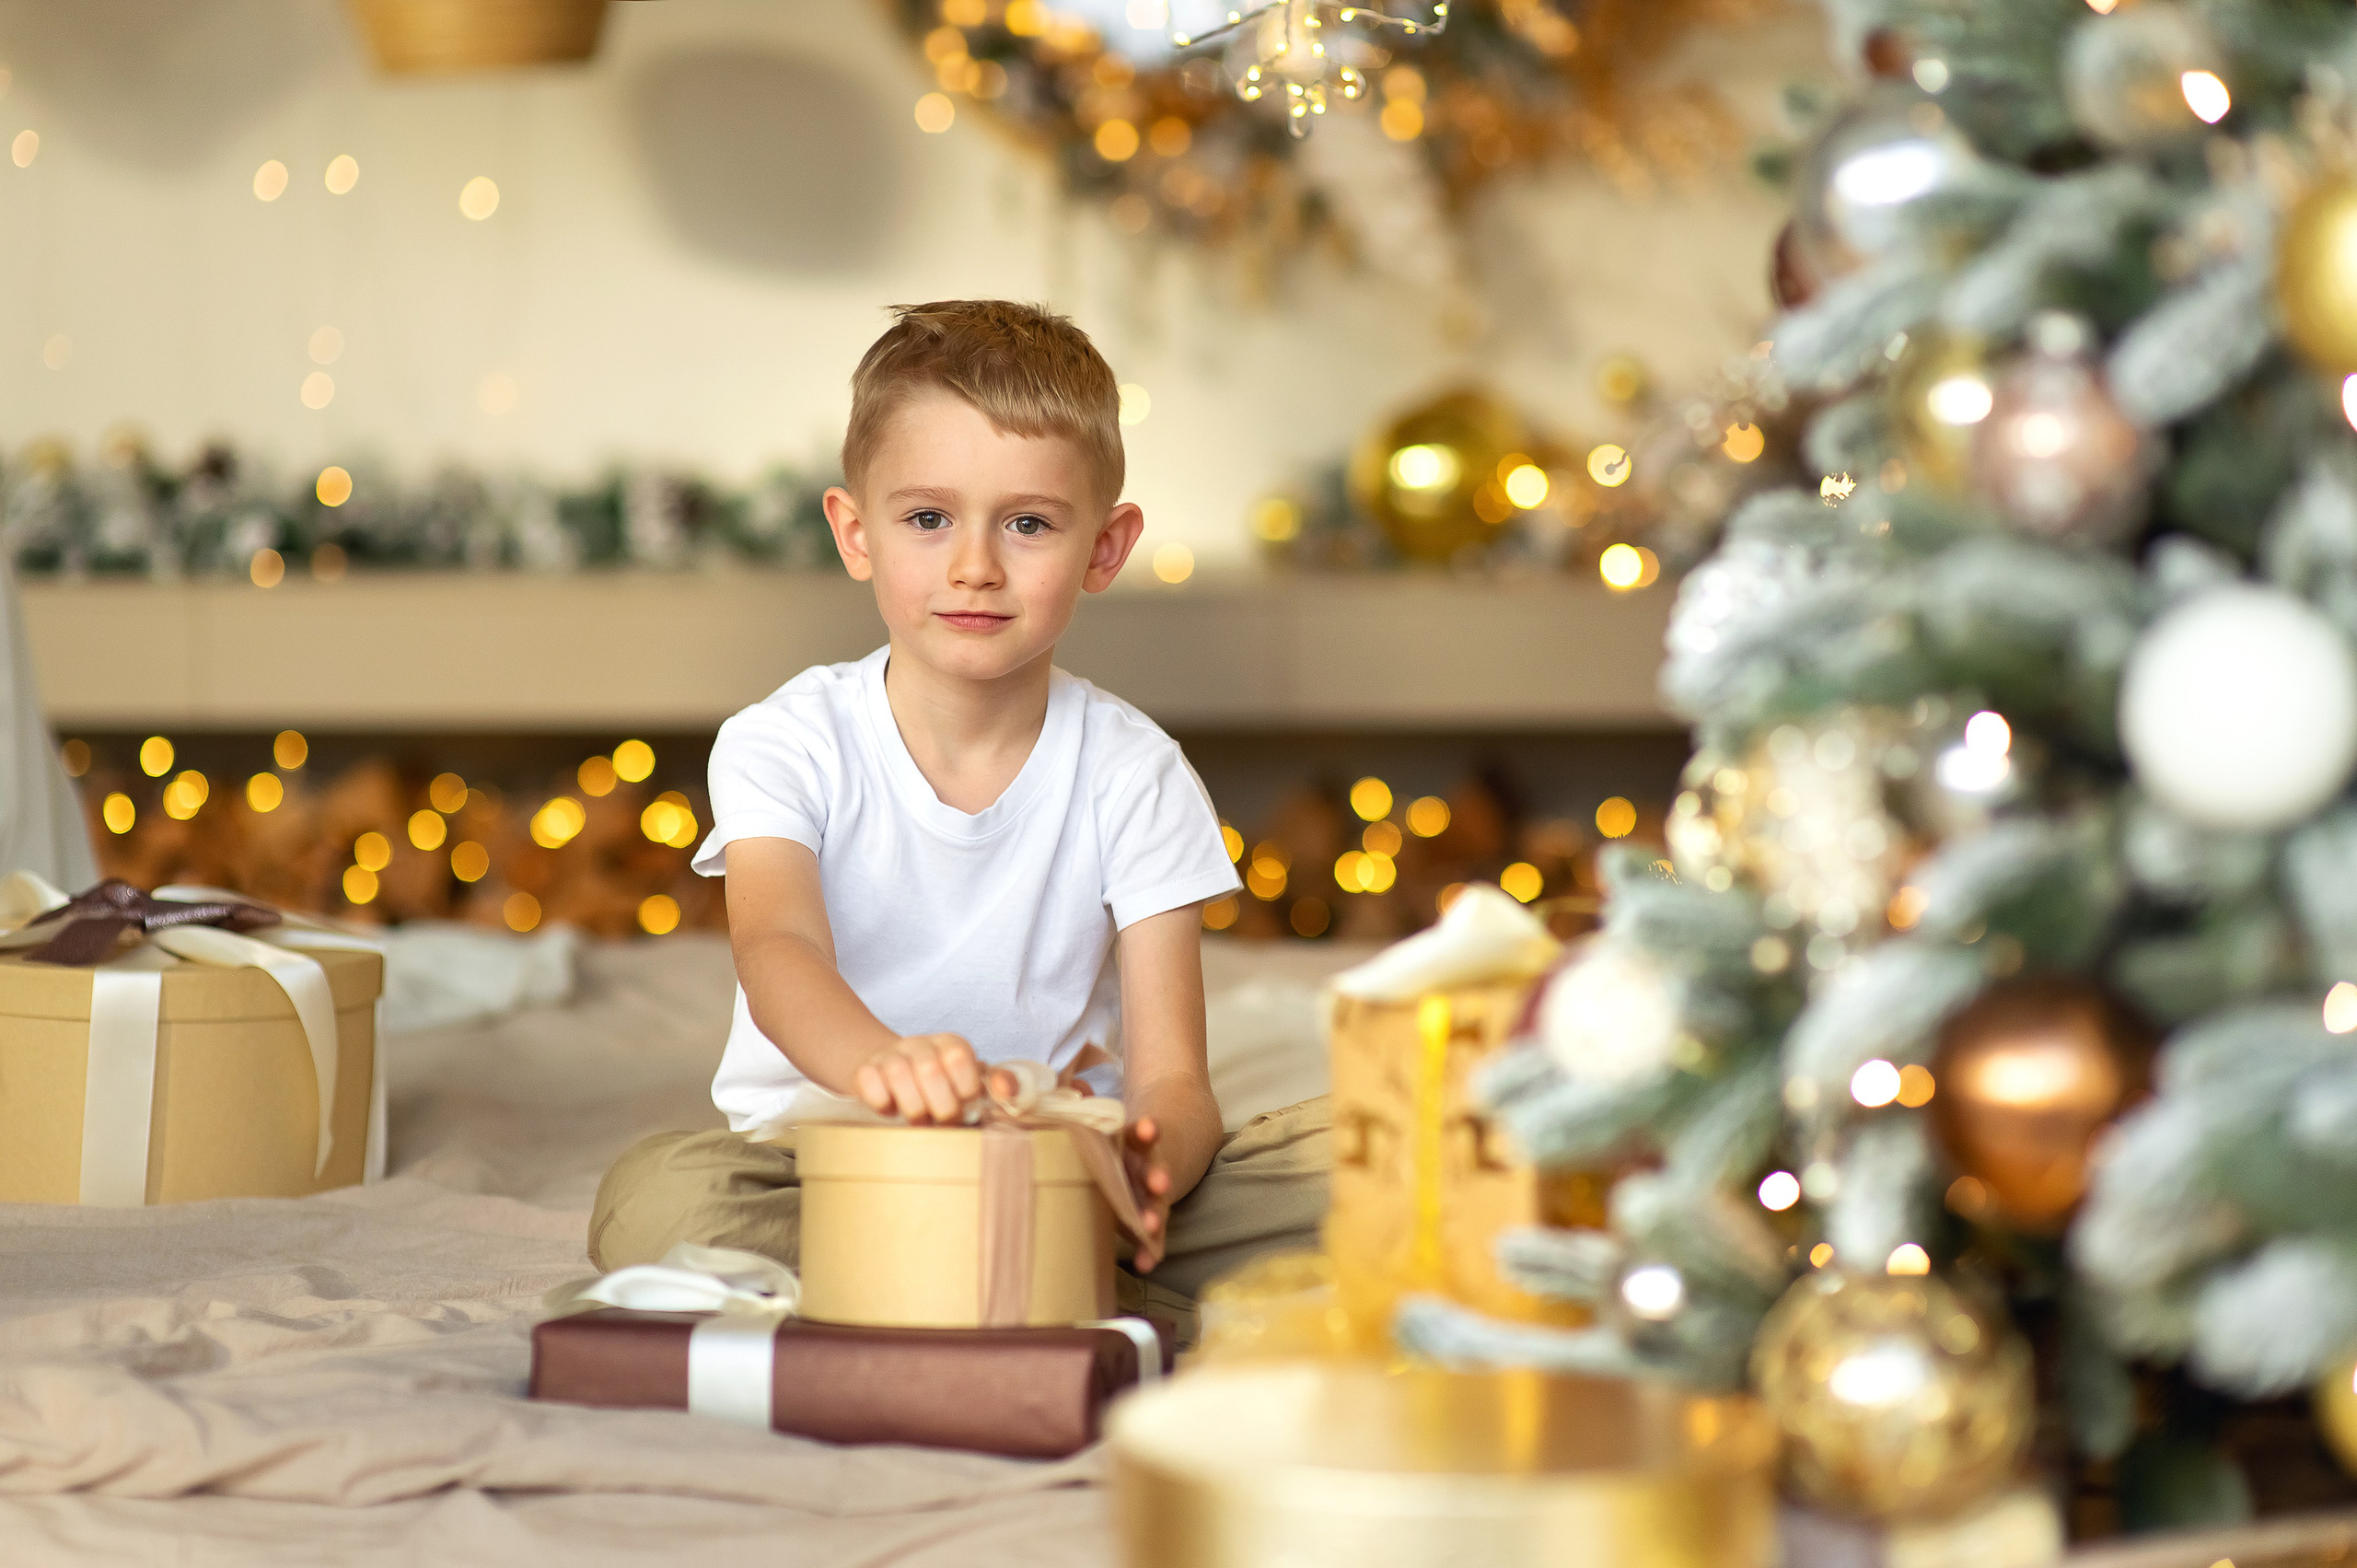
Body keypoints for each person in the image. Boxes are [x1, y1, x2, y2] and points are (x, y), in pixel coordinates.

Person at [588, 301, 1328, 1330]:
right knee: (657, 1197)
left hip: (1063, 1164)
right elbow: (777, 946)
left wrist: (1136, 1166)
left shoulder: (1135, 769)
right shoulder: (787, 739)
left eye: (1027, 523)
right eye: (928, 519)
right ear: (855, 532)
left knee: (1352, 1161)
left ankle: (1025, 1263)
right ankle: (1035, 1282)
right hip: (830, 1162)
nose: (975, 565)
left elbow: (1174, 1078)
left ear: (1103, 549)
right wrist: (880, 1066)